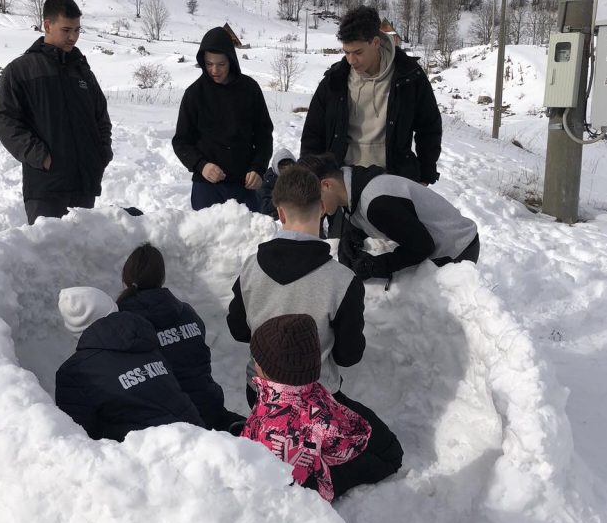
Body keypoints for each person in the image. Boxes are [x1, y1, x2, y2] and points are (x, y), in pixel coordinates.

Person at [227, 167, 401, 469]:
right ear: (322, 207)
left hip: (258, 393)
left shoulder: (250, 267)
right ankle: (312, 478)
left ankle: (274, 440)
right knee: (389, 454)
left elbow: (239, 330)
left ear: (280, 212)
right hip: (317, 402)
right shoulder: (341, 280)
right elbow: (348, 356)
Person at [242, 314, 402, 500]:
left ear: (268, 369)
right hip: (314, 444)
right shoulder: (308, 390)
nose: (254, 362)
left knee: (387, 456)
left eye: (257, 358)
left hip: (306, 484)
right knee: (388, 450)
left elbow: (291, 495)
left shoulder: (282, 423)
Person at [0, 0, 113, 225]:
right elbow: (6, 121)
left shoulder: (82, 72)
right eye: (66, 30)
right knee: (49, 248)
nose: (73, 37)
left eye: (77, 30)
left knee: (81, 246)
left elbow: (101, 118)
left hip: (84, 185)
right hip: (45, 188)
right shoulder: (21, 70)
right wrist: (41, 157)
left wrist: (101, 154)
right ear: (47, 25)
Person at [300, 4, 441, 186]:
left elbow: (429, 128)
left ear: (375, 42)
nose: (351, 60)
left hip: (393, 179)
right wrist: (311, 177)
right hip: (342, 179)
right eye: (346, 52)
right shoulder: (335, 80)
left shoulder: (410, 77)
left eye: (358, 52)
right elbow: (313, 132)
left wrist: (425, 175)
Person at [116, 243, 244, 432]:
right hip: (208, 406)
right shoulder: (186, 312)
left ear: (126, 277)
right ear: (161, 277)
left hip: (167, 420)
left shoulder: (121, 321)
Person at [299, 153, 480, 283]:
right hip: (442, 241)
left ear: (327, 185)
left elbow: (422, 247)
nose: (318, 211)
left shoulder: (376, 203)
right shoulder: (351, 186)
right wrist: (352, 236)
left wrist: (374, 266)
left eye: (316, 201)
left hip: (456, 248)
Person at [55, 286, 203, 442]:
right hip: (197, 438)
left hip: (146, 452)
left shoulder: (75, 372)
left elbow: (78, 439)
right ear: (113, 311)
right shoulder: (145, 338)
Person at [172, 26, 273, 211]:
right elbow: (181, 142)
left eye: (221, 64)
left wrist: (258, 168)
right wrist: (201, 165)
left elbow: (264, 136)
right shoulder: (194, 94)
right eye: (209, 64)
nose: (214, 70)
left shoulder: (250, 89)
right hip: (207, 186)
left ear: (231, 61)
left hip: (245, 184)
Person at [258, 146, 296, 219]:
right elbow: (264, 208)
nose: (287, 172)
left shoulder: (298, 177)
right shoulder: (268, 180)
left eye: (290, 167)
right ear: (276, 167)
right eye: (283, 168)